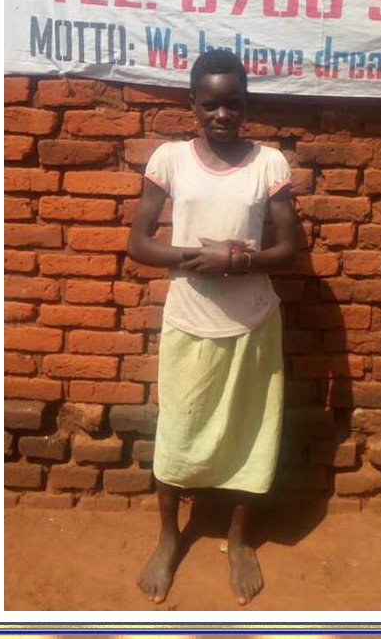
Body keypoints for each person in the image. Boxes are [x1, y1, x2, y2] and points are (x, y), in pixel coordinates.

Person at [127, 49, 299, 606]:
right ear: (193, 104)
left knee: (251, 435)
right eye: (210, 105)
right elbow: (138, 244)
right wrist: (198, 258)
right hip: (190, 320)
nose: (222, 114)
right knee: (177, 433)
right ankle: (168, 537)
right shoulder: (171, 160)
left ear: (246, 104)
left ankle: (240, 539)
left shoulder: (269, 163)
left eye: (233, 103)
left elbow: (290, 247)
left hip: (253, 324)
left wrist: (241, 262)